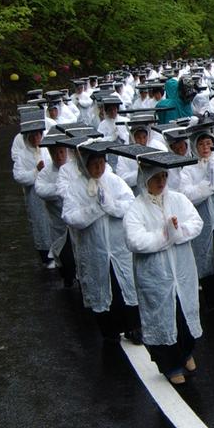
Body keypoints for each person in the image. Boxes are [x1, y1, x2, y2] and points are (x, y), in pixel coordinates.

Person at [122, 156, 204, 386]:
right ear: (145, 179)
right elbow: (135, 240)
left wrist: (178, 231)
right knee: (163, 319)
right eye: (156, 177)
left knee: (185, 316)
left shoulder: (178, 199)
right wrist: (164, 235)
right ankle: (170, 365)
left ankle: (186, 353)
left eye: (164, 176)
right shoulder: (136, 208)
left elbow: (196, 223)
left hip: (181, 270)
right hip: (155, 275)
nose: (161, 181)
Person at [60, 141, 142, 342]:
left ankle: (133, 327)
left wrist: (111, 206)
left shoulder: (114, 181)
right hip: (94, 249)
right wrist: (95, 208)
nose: (98, 168)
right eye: (94, 164)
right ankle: (109, 331)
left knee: (125, 287)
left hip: (118, 248)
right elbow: (70, 217)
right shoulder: (75, 188)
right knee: (101, 290)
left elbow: (130, 204)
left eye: (101, 163)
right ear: (84, 165)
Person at [35, 137, 77, 287]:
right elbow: (40, 189)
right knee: (61, 254)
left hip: (75, 222)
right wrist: (60, 188)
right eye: (55, 153)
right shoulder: (46, 172)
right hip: (57, 223)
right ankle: (66, 277)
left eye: (61, 152)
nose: (59, 156)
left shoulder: (74, 168)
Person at [12, 120, 54, 267]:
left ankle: (58, 253)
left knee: (53, 222)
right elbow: (19, 176)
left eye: (38, 135)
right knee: (40, 223)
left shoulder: (47, 149)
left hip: (51, 193)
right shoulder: (23, 155)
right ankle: (45, 254)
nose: (36, 138)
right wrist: (36, 171)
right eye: (33, 135)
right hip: (35, 195)